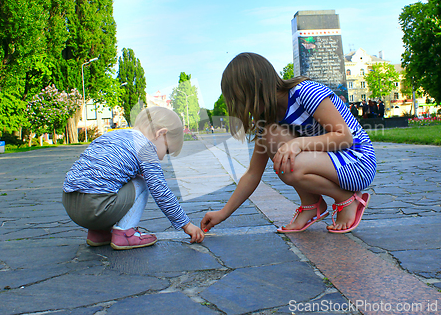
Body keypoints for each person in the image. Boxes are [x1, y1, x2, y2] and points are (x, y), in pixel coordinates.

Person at [201, 53, 376, 234]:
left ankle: (348, 200)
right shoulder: (266, 119)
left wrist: (298, 144)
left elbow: (344, 137)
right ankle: (311, 205)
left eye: (243, 99)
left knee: (291, 165)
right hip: (330, 163)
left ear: (259, 84)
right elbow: (253, 173)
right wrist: (222, 213)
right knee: (271, 135)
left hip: (357, 161)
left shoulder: (305, 92)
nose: (244, 107)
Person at [63, 106, 204, 250]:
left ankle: (99, 233)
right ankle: (125, 234)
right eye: (166, 150)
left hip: (71, 203)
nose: (161, 157)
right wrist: (185, 224)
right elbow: (161, 191)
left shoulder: (113, 135)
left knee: (116, 181)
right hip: (95, 207)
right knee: (141, 183)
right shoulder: (146, 148)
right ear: (160, 134)